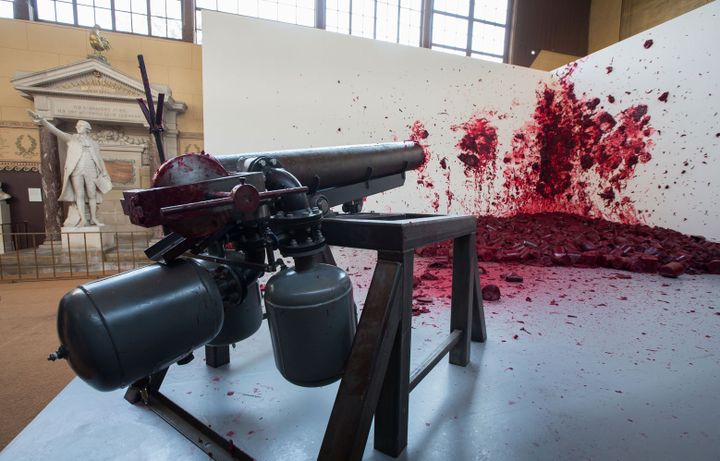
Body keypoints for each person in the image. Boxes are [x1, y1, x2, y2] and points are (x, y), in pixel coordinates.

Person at [28, 110, 112, 226]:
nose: (77, 127)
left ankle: (94, 218)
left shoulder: (94, 143)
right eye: (77, 125)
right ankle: (83, 219)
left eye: (80, 125)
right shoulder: (72, 139)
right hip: (76, 170)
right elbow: (55, 131)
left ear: (87, 129)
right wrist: (43, 121)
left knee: (92, 195)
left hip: (91, 169)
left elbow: (100, 160)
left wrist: (105, 172)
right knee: (79, 195)